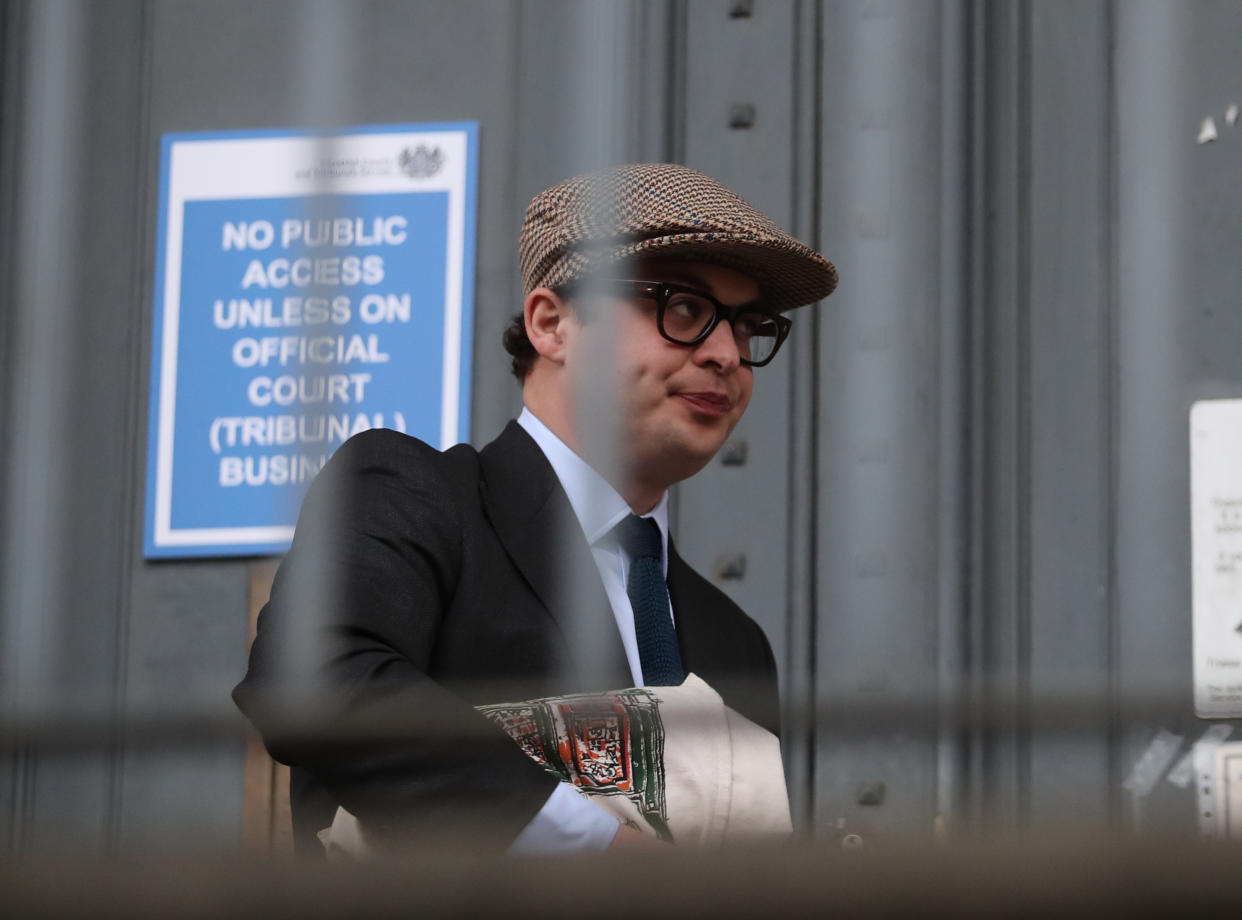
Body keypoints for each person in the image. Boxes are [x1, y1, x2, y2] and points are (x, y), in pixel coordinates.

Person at [233, 163, 838, 857]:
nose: (728, 353)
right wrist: (596, 848)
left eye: (749, 325)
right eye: (684, 309)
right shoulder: (417, 494)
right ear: (552, 324)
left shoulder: (734, 641)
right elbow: (311, 680)